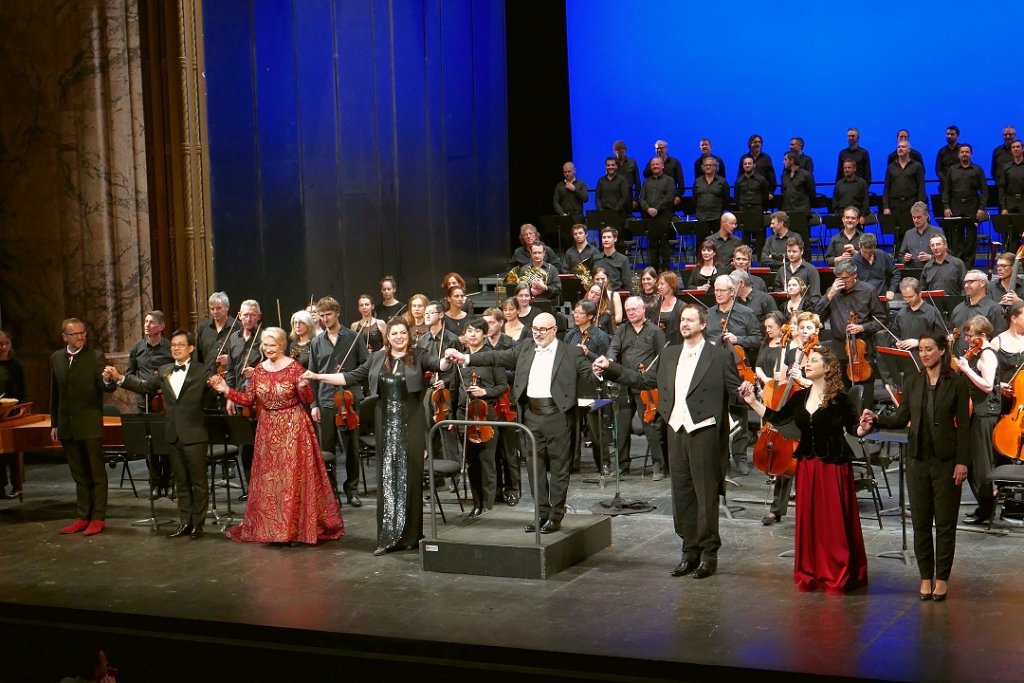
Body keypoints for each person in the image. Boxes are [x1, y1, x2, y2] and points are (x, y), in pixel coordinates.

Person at [595, 304, 741, 579]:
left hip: (704, 431)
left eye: (690, 320)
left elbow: (736, 391)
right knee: (682, 494)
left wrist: (755, 395)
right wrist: (611, 368)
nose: (684, 324)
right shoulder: (669, 352)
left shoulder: (719, 356)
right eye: (682, 319)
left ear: (702, 324)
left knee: (705, 495)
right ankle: (689, 551)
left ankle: (709, 554)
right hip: (676, 430)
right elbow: (642, 380)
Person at [447, 312, 598, 534]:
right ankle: (541, 514)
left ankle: (556, 515)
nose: (537, 333)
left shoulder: (570, 352)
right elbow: (496, 357)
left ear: (554, 330)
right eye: (535, 329)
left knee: (558, 469)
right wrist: (466, 358)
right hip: (532, 417)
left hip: (557, 416)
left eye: (542, 330)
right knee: (535, 470)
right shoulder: (526, 346)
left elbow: (591, 375)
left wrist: (601, 367)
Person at [740, 345, 868, 594]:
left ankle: (837, 573)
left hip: (833, 467)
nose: (807, 363)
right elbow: (778, 419)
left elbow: (855, 430)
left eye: (814, 360)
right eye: (807, 360)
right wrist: (753, 401)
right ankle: (812, 572)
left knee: (833, 523)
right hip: (808, 467)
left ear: (828, 368)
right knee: (811, 522)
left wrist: (865, 427)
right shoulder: (799, 397)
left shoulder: (840, 399)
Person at [210, 327, 344, 545]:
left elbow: (308, 398)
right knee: (271, 480)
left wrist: (303, 387)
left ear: (282, 345)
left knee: (291, 478)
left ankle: (292, 529)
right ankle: (273, 528)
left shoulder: (294, 367)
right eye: (265, 345)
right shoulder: (259, 370)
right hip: (268, 427)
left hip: (294, 425)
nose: (268, 349)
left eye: (272, 345)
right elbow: (248, 399)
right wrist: (227, 391)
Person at [864, 333, 970, 601]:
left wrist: (962, 461)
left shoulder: (957, 383)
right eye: (921, 349)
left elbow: (965, 427)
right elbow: (902, 416)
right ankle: (925, 577)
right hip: (918, 460)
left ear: (942, 350)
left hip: (947, 462)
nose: (923, 354)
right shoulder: (912, 381)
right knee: (921, 523)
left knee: (945, 524)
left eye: (928, 349)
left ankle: (942, 577)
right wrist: (876, 419)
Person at [105, 329, 214, 539]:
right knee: (181, 482)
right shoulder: (164, 370)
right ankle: (185, 522)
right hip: (172, 434)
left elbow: (210, 397)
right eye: (173, 345)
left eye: (180, 345)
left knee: (198, 482)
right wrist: (120, 378)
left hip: (194, 435)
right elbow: (144, 386)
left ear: (190, 348)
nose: (175, 348)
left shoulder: (202, 371)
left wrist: (220, 387)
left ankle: (198, 525)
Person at [49, 318, 116, 536]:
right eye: (75, 334)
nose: (81, 337)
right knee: (78, 474)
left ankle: (98, 517)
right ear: (65, 337)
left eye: (83, 333)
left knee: (96, 474)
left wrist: (107, 380)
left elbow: (106, 386)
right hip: (67, 425)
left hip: (89, 424)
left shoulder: (94, 356)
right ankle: (82, 516)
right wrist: (55, 423)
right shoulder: (56, 358)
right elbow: (55, 394)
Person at [756, 312, 820, 526]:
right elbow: (782, 382)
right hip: (792, 404)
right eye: (802, 328)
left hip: (811, 408)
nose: (804, 331)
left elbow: (823, 385)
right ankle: (777, 509)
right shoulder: (792, 349)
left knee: (808, 463)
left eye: (809, 328)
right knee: (785, 459)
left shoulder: (820, 351)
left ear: (816, 331)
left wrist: (801, 378)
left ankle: (809, 510)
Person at [308, 296, 369, 508]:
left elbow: (365, 367)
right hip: (325, 400)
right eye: (322, 315)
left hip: (349, 400)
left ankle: (352, 489)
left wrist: (350, 379)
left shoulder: (353, 336)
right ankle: (330, 491)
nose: (325, 319)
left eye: (328, 315)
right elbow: (313, 374)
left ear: (337, 313)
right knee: (326, 450)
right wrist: (314, 404)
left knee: (352, 448)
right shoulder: (316, 342)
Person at [705, 274, 763, 474]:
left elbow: (758, 339)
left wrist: (737, 339)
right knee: (715, 414)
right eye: (716, 290)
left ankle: (740, 457)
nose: (718, 294)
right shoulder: (708, 314)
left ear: (732, 291)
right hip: (713, 370)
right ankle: (721, 457)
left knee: (739, 414)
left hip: (738, 370)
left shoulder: (746, 313)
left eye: (722, 290)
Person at [452, 316, 509, 516]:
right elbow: (453, 389)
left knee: (487, 461)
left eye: (477, 331)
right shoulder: (459, 360)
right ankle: (477, 504)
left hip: (486, 414)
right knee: (471, 462)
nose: (473, 334)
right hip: (464, 414)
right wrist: (451, 418)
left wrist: (485, 392)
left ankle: (488, 506)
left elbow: (503, 386)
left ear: (485, 335)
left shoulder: (493, 357)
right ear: (465, 336)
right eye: (469, 331)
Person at [608, 296, 668, 478]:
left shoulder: (655, 331)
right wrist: (610, 360)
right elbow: (614, 349)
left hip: (646, 387)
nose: (631, 312)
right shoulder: (621, 330)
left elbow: (662, 357)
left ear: (643, 310)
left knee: (651, 427)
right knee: (621, 427)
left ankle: (658, 466)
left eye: (634, 309)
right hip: (624, 383)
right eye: (628, 310)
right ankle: (621, 466)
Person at [816, 260, 888, 409]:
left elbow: (881, 320)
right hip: (839, 346)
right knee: (842, 387)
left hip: (862, 346)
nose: (842, 282)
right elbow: (817, 316)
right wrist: (829, 295)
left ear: (854, 275)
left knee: (866, 387)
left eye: (846, 278)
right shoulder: (832, 292)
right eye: (839, 279)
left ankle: (867, 421)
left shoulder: (868, 290)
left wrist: (862, 327)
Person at [122, 310, 173, 497]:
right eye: (145, 321)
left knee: (166, 443)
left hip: (165, 401)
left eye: (151, 322)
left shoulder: (169, 347)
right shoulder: (137, 348)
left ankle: (167, 481)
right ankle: (154, 482)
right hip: (144, 401)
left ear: (161, 326)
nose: (147, 325)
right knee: (149, 445)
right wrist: (142, 384)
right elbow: (129, 374)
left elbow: (178, 370)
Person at [955, 316, 1000, 525]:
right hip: (977, 413)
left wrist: (966, 369)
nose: (967, 339)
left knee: (981, 465)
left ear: (983, 335)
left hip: (984, 415)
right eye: (966, 334)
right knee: (973, 463)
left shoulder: (988, 355)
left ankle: (987, 508)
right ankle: (983, 506)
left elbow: (988, 386)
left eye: (970, 334)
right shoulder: (979, 353)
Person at [564, 301, 612, 473]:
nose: (575, 315)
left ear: (590, 316)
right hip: (574, 387)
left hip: (593, 389)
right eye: (574, 312)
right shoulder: (570, 335)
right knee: (572, 429)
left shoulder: (600, 336)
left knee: (596, 428)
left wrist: (588, 353)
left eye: (579, 313)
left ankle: (604, 463)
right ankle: (572, 463)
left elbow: (605, 361)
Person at [942, 144, 988, 264]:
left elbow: (984, 191)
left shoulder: (977, 170)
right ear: (958, 154)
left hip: (972, 206)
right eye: (962, 152)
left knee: (972, 237)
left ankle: (969, 265)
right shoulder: (952, 170)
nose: (964, 154)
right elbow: (946, 190)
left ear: (971, 154)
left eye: (967, 152)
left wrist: (981, 208)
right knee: (957, 237)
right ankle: (958, 263)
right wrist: (946, 206)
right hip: (955, 206)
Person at [950, 270, 1007, 355]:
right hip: (957, 362)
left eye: (970, 282)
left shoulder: (995, 309)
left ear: (982, 283)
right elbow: (951, 329)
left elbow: (999, 339)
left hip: (982, 361)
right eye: (965, 282)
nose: (966, 285)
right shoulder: (958, 308)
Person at [883, 139, 927, 245]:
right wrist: (886, 206)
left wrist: (920, 206)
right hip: (895, 205)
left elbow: (921, 187)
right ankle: (898, 257)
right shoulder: (891, 167)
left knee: (912, 232)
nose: (900, 149)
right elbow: (886, 188)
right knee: (897, 234)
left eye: (903, 147)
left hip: (911, 204)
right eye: (899, 147)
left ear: (909, 149)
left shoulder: (917, 166)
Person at [0, 330, 27, 497]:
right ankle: (0, 487)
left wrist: (20, 408)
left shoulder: (17, 366)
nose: (3, 347)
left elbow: (24, 392)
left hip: (14, 414)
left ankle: (17, 485)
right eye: (0, 345)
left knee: (14, 451)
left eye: (6, 344)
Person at [639, 156, 676, 273]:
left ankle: (665, 272)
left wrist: (657, 209)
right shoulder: (646, 182)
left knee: (664, 245)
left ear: (662, 166)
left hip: (663, 216)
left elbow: (669, 197)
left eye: (657, 164)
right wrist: (648, 208)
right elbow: (641, 199)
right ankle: (653, 272)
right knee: (652, 246)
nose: (655, 166)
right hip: (649, 218)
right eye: (653, 164)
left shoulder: (669, 180)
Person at [734, 154, 769, 256]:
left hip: (757, 210)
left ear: (754, 165)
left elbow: (765, 197)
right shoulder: (739, 181)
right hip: (744, 211)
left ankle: (760, 264)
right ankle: (745, 264)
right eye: (745, 164)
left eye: (749, 163)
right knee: (745, 240)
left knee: (760, 240)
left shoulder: (761, 179)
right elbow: (736, 198)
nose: (747, 165)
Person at [780, 151, 816, 243]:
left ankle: (806, 257)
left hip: (801, 212)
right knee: (787, 239)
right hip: (787, 212)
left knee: (803, 240)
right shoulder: (784, 175)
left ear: (792, 161)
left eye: (785, 159)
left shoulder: (806, 175)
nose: (783, 162)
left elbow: (812, 193)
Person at [852, 232, 900, 301]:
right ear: (859, 246)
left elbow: (896, 273)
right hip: (861, 300)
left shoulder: (882, 255)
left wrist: (891, 290)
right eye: (864, 252)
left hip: (881, 300)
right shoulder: (853, 261)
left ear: (875, 246)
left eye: (870, 253)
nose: (867, 256)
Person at [196, 291, 232, 374]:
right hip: (207, 378)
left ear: (227, 308)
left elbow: (243, 356)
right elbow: (198, 356)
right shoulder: (203, 327)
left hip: (230, 379)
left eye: (219, 308)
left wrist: (229, 359)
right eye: (212, 309)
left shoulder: (237, 327)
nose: (215, 312)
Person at [898, 202, 944, 266]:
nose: (915, 220)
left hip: (933, 270)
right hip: (912, 271)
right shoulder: (908, 233)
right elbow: (900, 256)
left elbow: (946, 254)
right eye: (913, 217)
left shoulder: (937, 231)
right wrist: (905, 258)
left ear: (926, 215)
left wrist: (931, 257)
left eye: (918, 217)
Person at [643, 139, 684, 204]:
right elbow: (645, 175)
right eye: (657, 148)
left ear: (666, 148)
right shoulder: (652, 161)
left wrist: (678, 196)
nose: (659, 150)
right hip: (654, 196)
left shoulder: (675, 162)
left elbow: (681, 181)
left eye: (661, 148)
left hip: (670, 197)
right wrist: (654, 164)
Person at [648, 271, 684, 345]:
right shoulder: (655, 305)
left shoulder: (682, 307)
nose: (658, 287)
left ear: (671, 285)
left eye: (662, 284)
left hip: (675, 346)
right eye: (658, 284)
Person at [592, 227, 631, 292]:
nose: (606, 240)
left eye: (609, 237)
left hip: (616, 295)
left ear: (615, 239)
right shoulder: (595, 258)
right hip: (598, 295)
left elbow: (627, 283)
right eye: (604, 237)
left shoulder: (623, 259)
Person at [738, 134, 776, 198]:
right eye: (755, 142)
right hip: (747, 192)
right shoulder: (744, 158)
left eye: (759, 142)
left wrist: (771, 192)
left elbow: (772, 177)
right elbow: (740, 176)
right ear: (750, 144)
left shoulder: (766, 158)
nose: (758, 144)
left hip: (763, 192)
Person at [692, 157, 729, 221]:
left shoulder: (722, 182)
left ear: (715, 167)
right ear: (703, 167)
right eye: (706, 165)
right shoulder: (697, 181)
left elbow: (726, 199)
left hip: (717, 217)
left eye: (710, 165)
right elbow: (694, 198)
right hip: (700, 217)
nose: (708, 167)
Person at [612, 139, 641, 210]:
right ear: (614, 152)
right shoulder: (611, 163)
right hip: (614, 196)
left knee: (628, 218)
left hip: (629, 196)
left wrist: (635, 199)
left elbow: (637, 183)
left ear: (625, 151)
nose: (620, 154)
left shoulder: (632, 162)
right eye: (618, 152)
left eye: (622, 152)